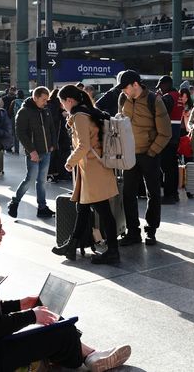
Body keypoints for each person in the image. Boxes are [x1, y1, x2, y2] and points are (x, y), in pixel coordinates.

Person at [0, 200, 131, 371]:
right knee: (60, 332)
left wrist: (20, 305)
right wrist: (31, 316)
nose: (3, 232)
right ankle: (90, 358)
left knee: (52, 322)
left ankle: (87, 354)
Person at [53, 85, 121, 264]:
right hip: (91, 169)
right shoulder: (87, 112)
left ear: (69, 100)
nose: (62, 106)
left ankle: (113, 251)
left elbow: (83, 145)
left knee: (103, 211)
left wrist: (69, 161)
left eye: (62, 102)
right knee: (82, 209)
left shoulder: (80, 117)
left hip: (92, 170)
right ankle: (71, 246)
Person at [116, 70, 171, 246]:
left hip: (149, 154)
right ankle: (133, 232)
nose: (123, 91)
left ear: (135, 85)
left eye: (126, 87)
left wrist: (152, 152)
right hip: (129, 155)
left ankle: (151, 230)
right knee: (128, 194)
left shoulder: (154, 100)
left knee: (153, 193)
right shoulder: (123, 99)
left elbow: (166, 132)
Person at [9, 87, 56, 219]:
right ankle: (15, 201)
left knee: (42, 181)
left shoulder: (45, 111)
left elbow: (51, 128)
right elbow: (20, 133)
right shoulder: (24, 112)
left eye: (47, 100)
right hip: (34, 153)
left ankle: (42, 207)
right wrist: (31, 151)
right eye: (43, 100)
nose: (45, 102)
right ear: (35, 98)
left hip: (46, 151)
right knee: (30, 179)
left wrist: (53, 144)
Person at [156, 75, 185, 204]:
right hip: (175, 135)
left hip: (167, 136)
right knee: (172, 166)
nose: (160, 89)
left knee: (167, 167)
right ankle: (174, 194)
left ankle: (168, 195)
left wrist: (158, 99)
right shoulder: (178, 96)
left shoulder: (168, 97)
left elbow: (160, 112)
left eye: (161, 87)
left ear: (166, 85)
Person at [0, 86, 19, 153]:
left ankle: (8, 147)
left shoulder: (3, 98)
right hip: (15, 117)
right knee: (15, 134)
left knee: (8, 133)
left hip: (6, 117)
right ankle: (16, 149)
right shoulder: (17, 99)